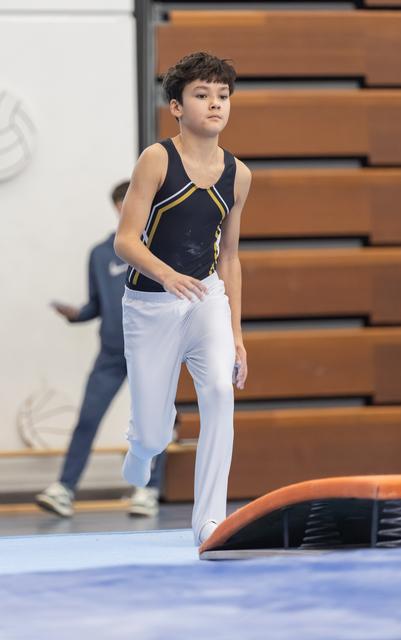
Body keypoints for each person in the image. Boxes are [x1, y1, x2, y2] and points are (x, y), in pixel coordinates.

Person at [114, 52, 252, 545]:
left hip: (205, 299)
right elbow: (125, 241)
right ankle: (143, 444)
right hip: (151, 306)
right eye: (202, 95)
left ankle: (209, 520)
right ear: (176, 106)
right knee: (154, 433)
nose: (215, 104)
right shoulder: (156, 159)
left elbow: (229, 258)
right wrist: (168, 274)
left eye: (223, 96)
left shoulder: (239, 174)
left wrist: (236, 334)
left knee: (218, 391)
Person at [35, 182, 166, 518]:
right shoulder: (100, 253)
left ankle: (147, 490)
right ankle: (64, 488)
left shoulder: (162, 246)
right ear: (117, 207)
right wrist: (76, 314)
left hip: (150, 350)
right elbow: (95, 304)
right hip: (111, 353)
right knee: (87, 418)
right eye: (123, 202)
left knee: (151, 422)